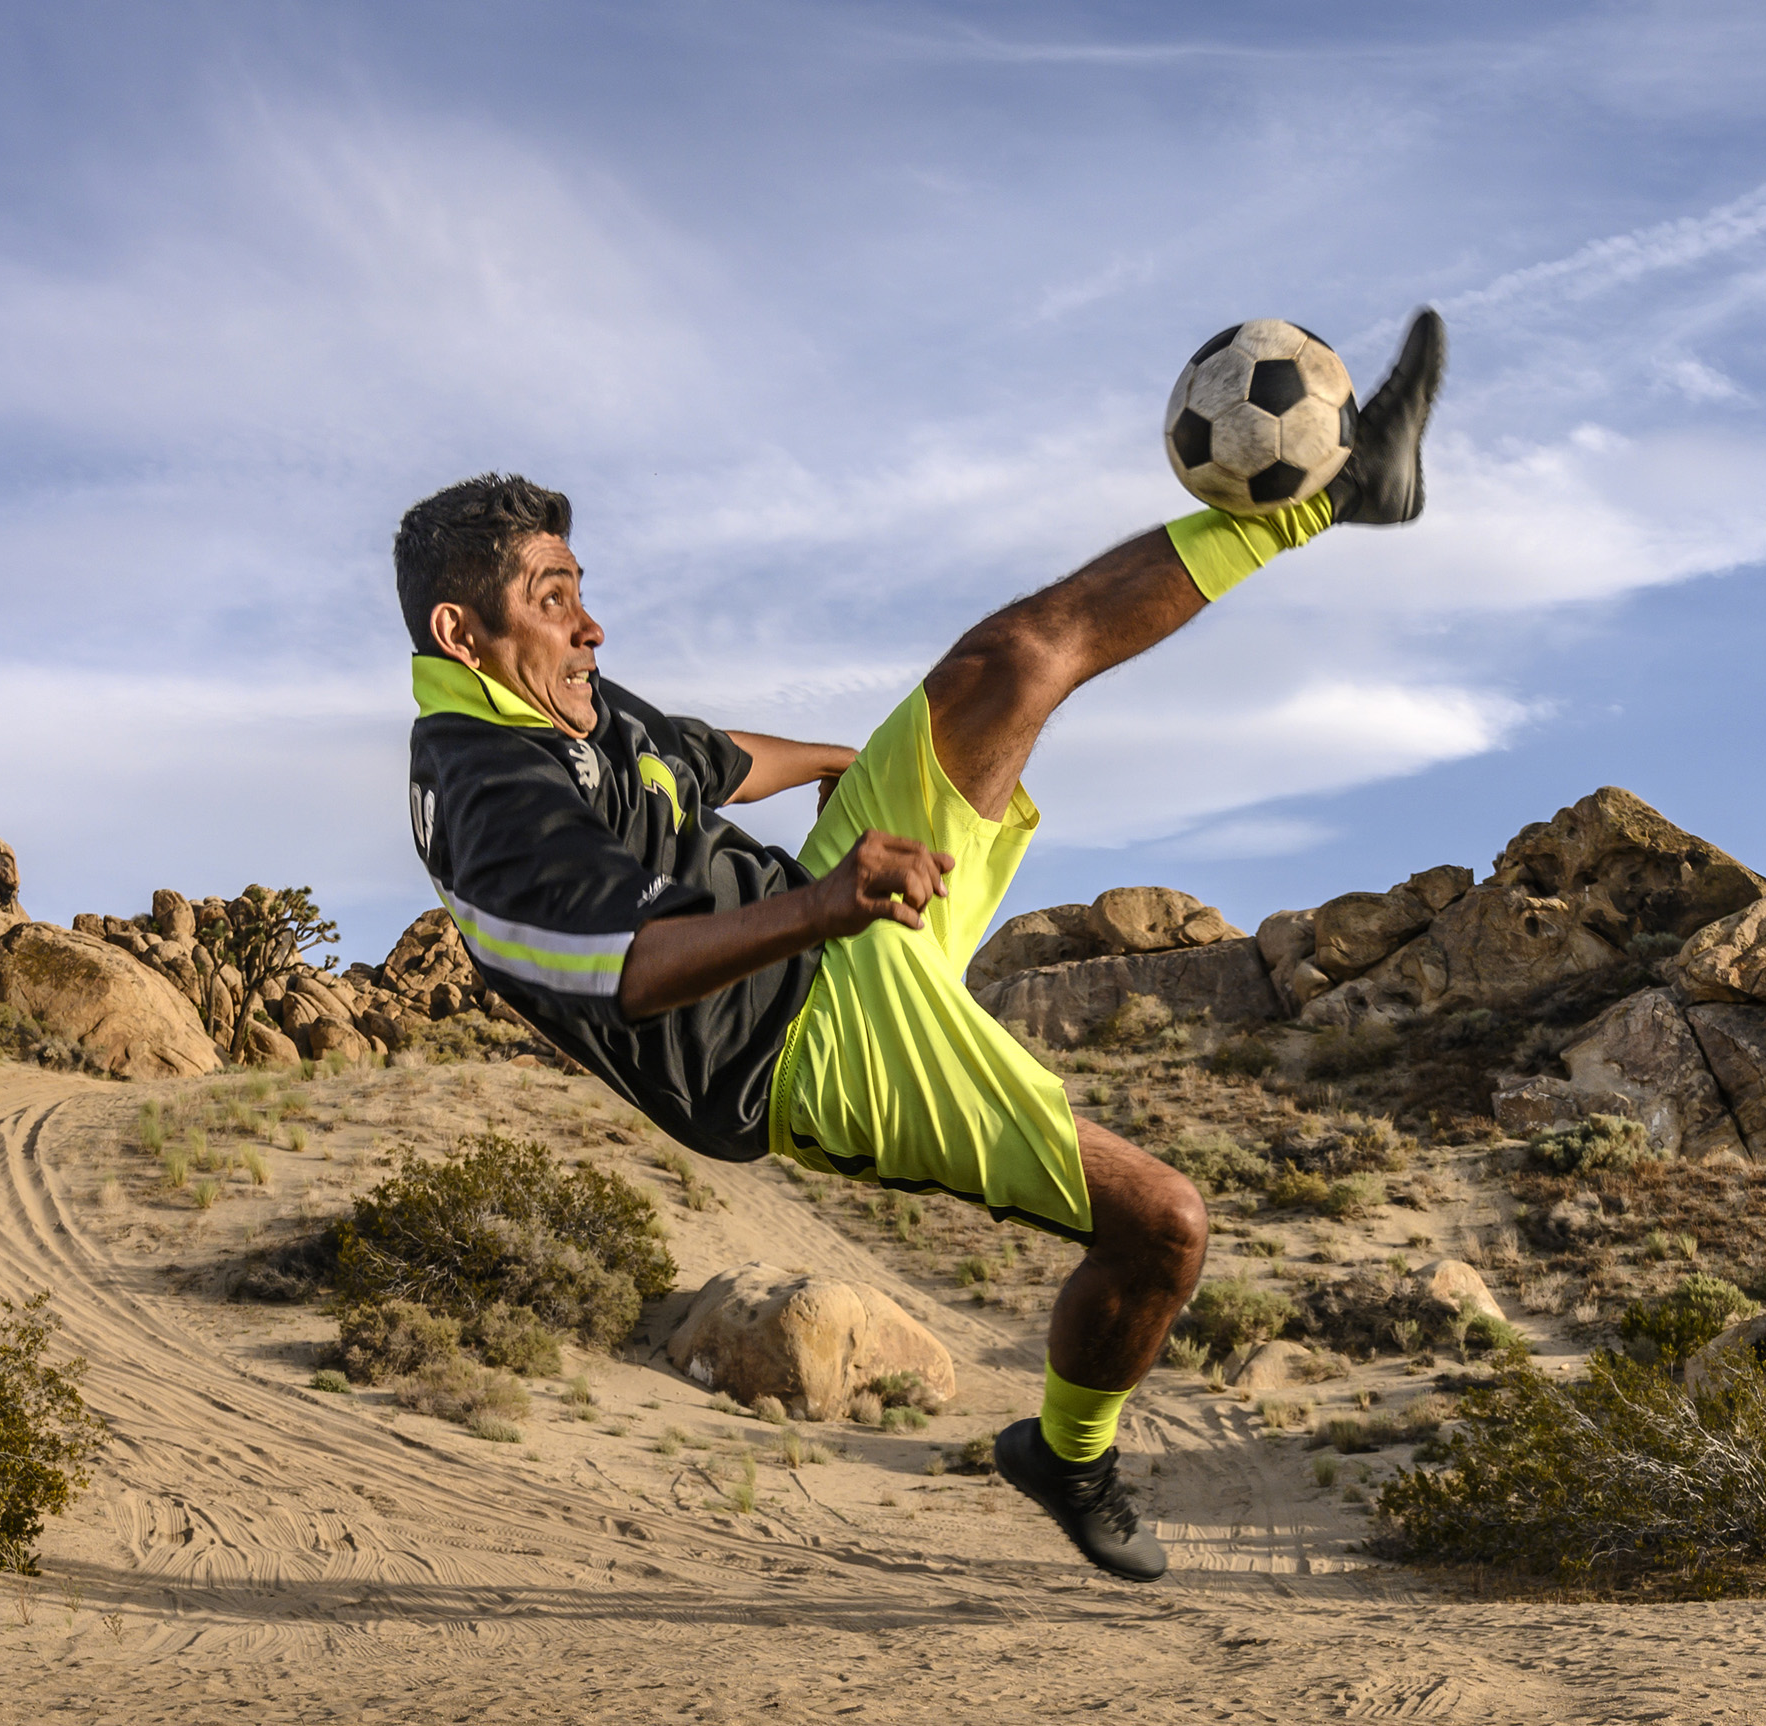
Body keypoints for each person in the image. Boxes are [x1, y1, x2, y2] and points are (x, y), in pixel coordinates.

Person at [391, 310, 1444, 1581]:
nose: (591, 625)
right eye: (553, 599)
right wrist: (828, 903)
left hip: (825, 915)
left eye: (580, 589)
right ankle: (1069, 1453)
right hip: (801, 1047)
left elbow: (707, 759)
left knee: (1012, 660)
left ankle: (1336, 495)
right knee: (1166, 1222)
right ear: (461, 633)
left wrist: (845, 763)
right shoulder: (488, 802)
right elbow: (635, 973)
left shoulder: (563, 702)